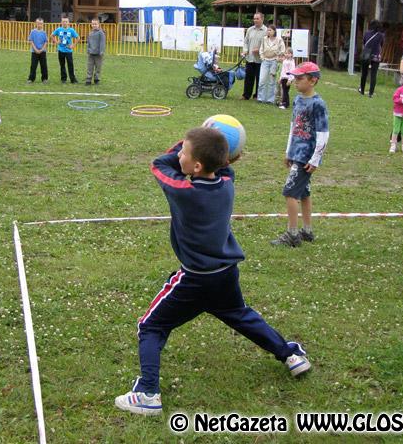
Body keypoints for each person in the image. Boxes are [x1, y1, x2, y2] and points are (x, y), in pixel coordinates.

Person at [114, 126, 310, 416]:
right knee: (240, 315)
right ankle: (290, 355)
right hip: (226, 274)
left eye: (185, 153)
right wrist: (213, 147)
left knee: (151, 326)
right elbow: (220, 166)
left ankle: (147, 393)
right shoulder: (227, 182)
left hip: (196, 279)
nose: (179, 154)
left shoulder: (184, 190)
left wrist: (186, 142)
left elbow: (159, 163)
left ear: (195, 165)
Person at [271, 62, 329, 247]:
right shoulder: (297, 100)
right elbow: (293, 127)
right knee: (304, 192)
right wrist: (289, 151)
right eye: (294, 78)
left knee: (289, 192)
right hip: (296, 152)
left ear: (313, 80)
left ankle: (292, 234)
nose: (295, 82)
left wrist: (316, 158)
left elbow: (323, 133)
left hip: (307, 156)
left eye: (300, 78)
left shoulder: (318, 104)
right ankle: (307, 230)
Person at [257, 25, 285, 104]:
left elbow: (282, 50)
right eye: (268, 30)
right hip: (265, 60)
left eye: (270, 30)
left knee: (271, 80)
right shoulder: (264, 39)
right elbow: (261, 49)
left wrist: (277, 57)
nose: (268, 32)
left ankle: (270, 99)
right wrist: (262, 57)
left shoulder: (279, 40)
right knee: (262, 79)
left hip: (274, 61)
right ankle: (260, 97)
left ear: (274, 31)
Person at [240, 12, 265, 100]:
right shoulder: (250, 29)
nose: (255, 20)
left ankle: (257, 95)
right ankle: (246, 95)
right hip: (250, 58)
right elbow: (245, 42)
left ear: (262, 19)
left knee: (259, 78)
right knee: (248, 78)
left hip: (260, 59)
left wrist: (259, 50)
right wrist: (245, 50)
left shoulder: (266, 31)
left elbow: (267, 44)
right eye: (254, 18)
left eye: (257, 19)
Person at [358, 20, 384, 97]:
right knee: (373, 74)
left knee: (364, 73)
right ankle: (371, 93)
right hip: (376, 55)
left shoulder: (366, 33)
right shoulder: (381, 35)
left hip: (366, 54)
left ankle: (362, 90)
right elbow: (381, 44)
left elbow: (364, 42)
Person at [52, 16, 78, 84]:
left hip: (69, 51)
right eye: (63, 21)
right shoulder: (59, 29)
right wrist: (56, 42)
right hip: (61, 50)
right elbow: (52, 35)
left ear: (68, 22)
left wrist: (73, 45)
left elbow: (78, 38)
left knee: (70, 65)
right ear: (61, 22)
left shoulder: (71, 30)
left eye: (66, 21)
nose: (65, 23)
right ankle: (63, 79)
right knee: (62, 65)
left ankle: (73, 79)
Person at [27, 18, 49, 84]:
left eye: (41, 24)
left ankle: (44, 79)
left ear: (43, 24)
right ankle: (31, 79)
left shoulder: (44, 32)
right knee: (33, 66)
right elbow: (31, 41)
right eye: (38, 23)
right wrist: (36, 49)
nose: (39, 25)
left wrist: (42, 50)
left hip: (43, 52)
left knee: (44, 65)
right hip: (34, 52)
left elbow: (46, 42)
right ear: (36, 23)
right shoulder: (32, 32)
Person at [85, 18, 106, 85]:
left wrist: (101, 51)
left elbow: (102, 43)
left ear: (98, 24)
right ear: (91, 24)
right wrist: (88, 49)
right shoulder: (90, 33)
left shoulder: (101, 33)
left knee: (98, 67)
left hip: (98, 54)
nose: (94, 25)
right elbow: (88, 42)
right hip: (91, 53)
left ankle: (97, 79)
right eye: (93, 24)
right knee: (89, 67)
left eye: (95, 24)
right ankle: (88, 80)